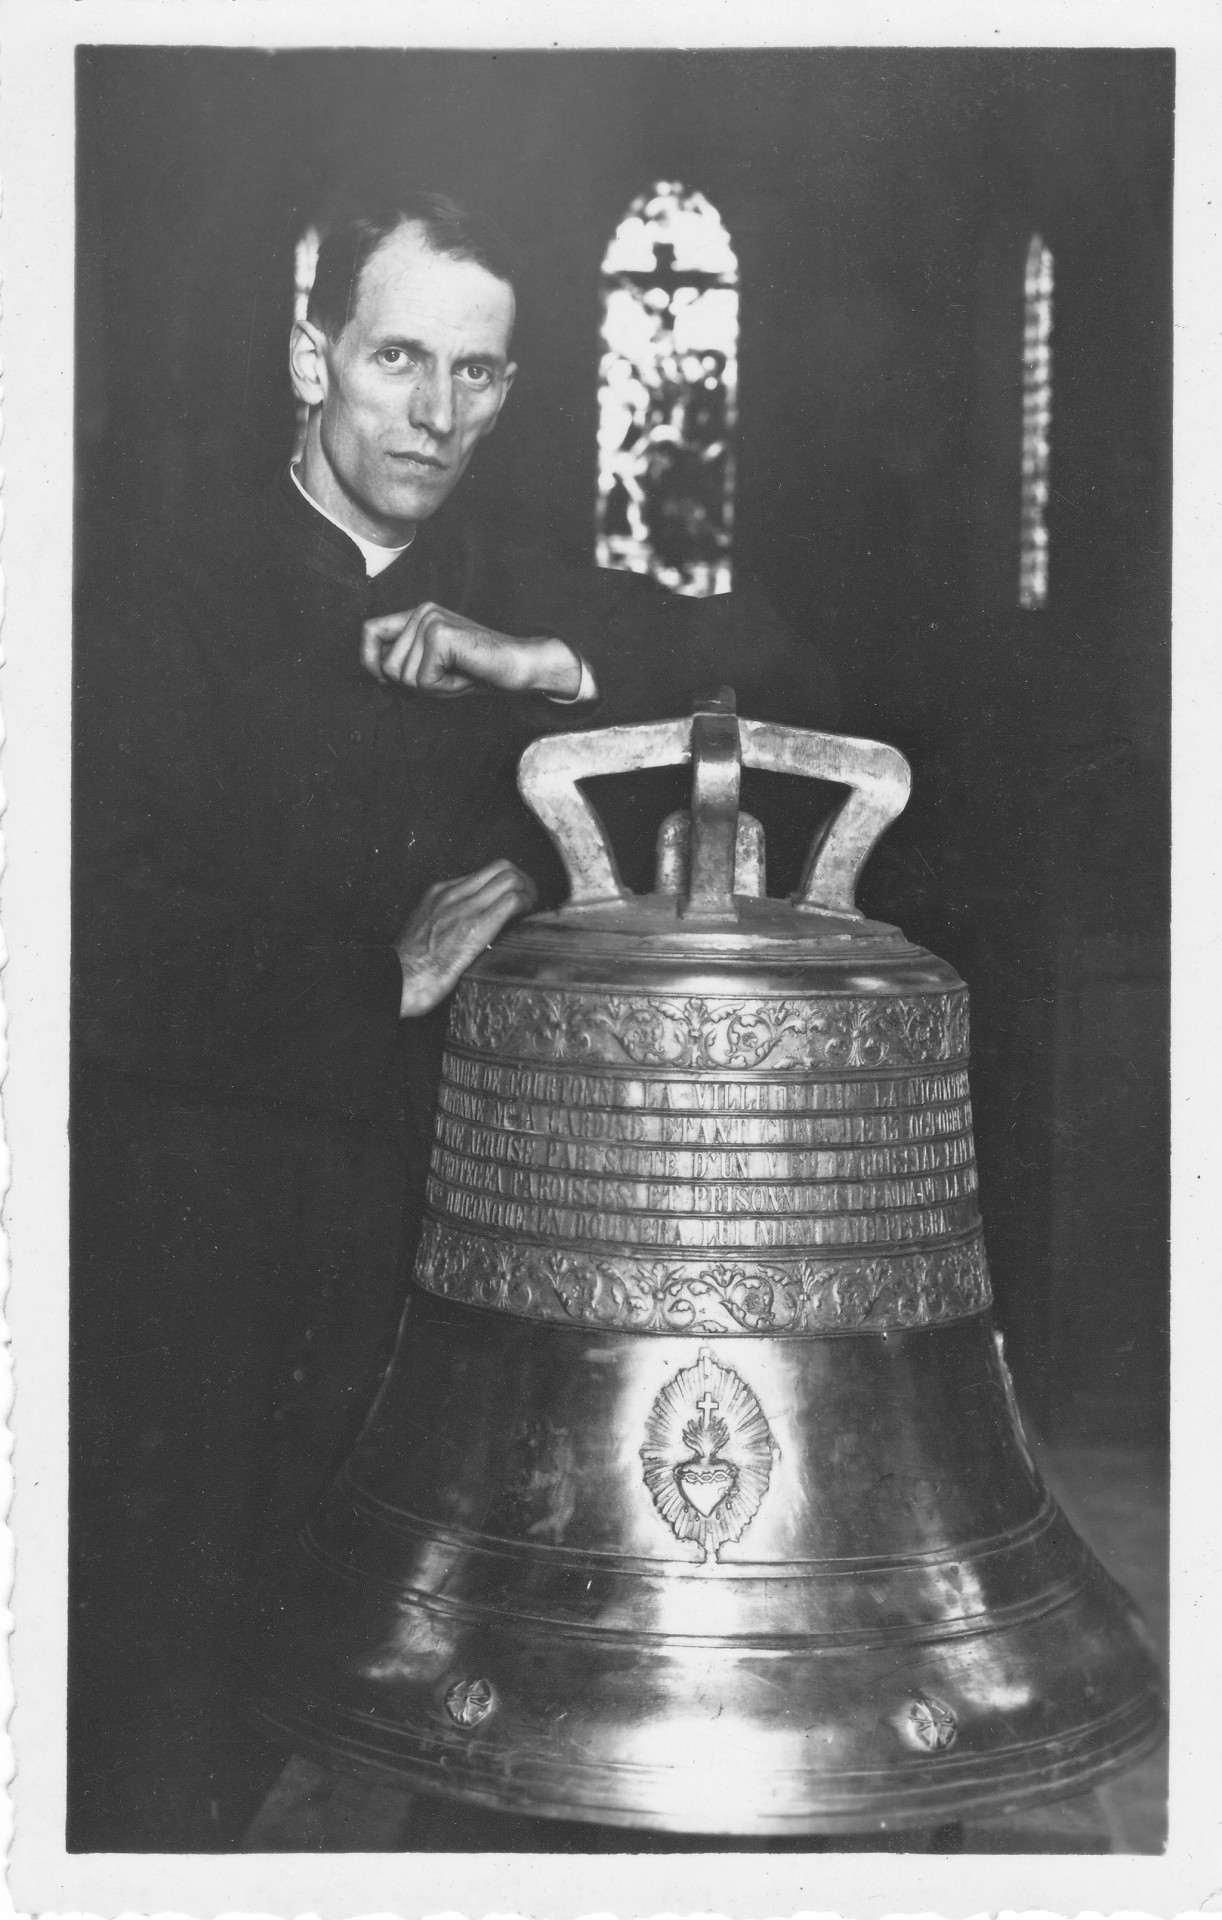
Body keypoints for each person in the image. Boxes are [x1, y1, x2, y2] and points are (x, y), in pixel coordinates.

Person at [69, 191, 839, 1849]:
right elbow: (85, 937)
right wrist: (381, 979)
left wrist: (540, 661)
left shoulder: (513, 584)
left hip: (460, 1248)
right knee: (167, 1737)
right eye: (397, 357)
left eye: (477, 374)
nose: (435, 414)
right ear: (311, 356)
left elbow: (777, 660)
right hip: (206, 1238)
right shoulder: (146, 589)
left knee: (489, 1744)